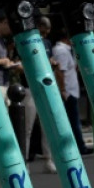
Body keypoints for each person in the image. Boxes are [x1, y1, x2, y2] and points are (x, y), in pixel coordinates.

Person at [0, 15, 36, 178]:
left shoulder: (1, 40)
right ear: (3, 22)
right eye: (9, 26)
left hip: (3, 83)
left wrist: (9, 64)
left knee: (2, 125)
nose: (10, 31)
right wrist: (2, 62)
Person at [50, 28, 94, 156]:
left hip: (71, 90)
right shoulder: (61, 51)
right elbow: (60, 71)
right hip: (68, 90)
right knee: (73, 121)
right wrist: (63, 89)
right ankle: (79, 146)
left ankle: (78, 146)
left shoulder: (66, 51)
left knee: (73, 120)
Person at [27, 16, 57, 173]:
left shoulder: (47, 43)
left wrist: (52, 62)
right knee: (27, 128)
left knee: (47, 126)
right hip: (29, 88)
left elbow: (49, 57)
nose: (45, 34)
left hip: (45, 86)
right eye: (43, 31)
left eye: (47, 32)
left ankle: (48, 160)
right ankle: (25, 161)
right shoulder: (27, 41)